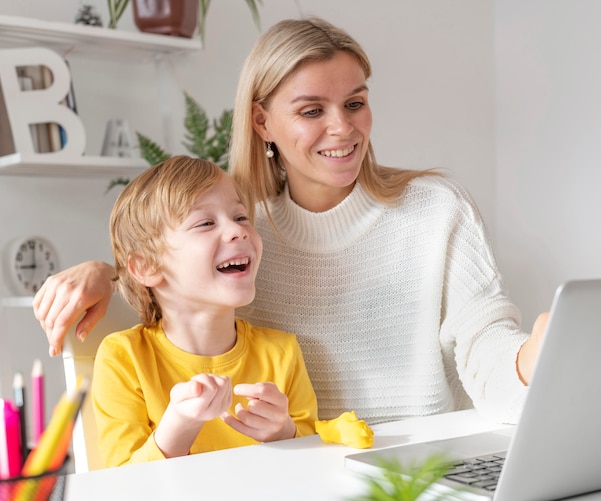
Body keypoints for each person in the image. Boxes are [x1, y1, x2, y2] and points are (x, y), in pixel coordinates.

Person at [34, 17, 546, 427]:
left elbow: (486, 350)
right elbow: (173, 279)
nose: (342, 127)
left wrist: (529, 362)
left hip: (414, 467)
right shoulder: (243, 229)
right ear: (262, 122)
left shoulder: (436, 210)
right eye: (311, 110)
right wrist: (108, 271)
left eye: (355, 103)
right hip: (294, 470)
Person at [91, 155, 317, 467]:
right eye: (206, 223)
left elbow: (315, 467)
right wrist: (179, 426)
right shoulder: (123, 358)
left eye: (240, 217)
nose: (238, 231)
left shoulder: (282, 352)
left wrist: (285, 433)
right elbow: (122, 486)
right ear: (147, 266)